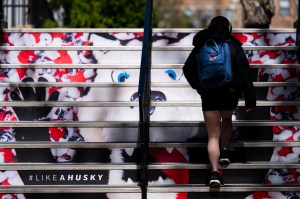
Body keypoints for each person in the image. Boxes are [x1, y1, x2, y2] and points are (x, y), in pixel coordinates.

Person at [183, 16, 256, 187]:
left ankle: (215, 173)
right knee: (227, 119)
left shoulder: (202, 44)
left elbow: (187, 69)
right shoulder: (233, 45)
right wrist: (250, 99)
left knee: (212, 135)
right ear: (228, 28)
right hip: (229, 93)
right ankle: (224, 151)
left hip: (209, 93)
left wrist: (199, 87)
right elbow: (245, 73)